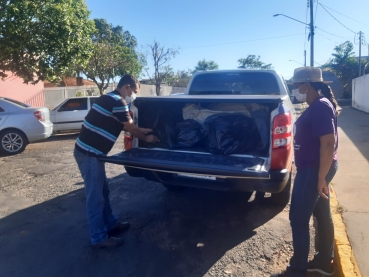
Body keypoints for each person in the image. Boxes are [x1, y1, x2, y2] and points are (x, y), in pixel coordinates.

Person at [74, 75, 159, 249]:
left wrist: (140, 130)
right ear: (126, 87)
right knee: (96, 198)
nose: (133, 96)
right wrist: (147, 138)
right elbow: (130, 127)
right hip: (89, 154)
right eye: (134, 92)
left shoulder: (108, 98)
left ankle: (110, 225)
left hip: (91, 153)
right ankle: (98, 237)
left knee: (103, 191)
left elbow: (123, 125)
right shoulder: (117, 101)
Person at [277, 67, 339, 277]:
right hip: (315, 168)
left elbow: (329, 143)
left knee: (298, 218)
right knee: (322, 215)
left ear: (308, 85)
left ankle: (297, 269)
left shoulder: (320, 106)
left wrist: (321, 177)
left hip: (314, 169)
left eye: (296, 85)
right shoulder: (316, 105)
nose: (295, 89)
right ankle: (324, 262)